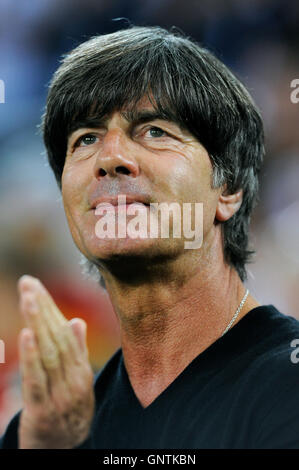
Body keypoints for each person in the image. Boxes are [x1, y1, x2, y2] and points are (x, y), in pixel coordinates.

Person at [1, 25, 299, 449]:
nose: (110, 158)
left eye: (155, 131)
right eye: (85, 139)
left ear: (229, 189)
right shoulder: (53, 426)